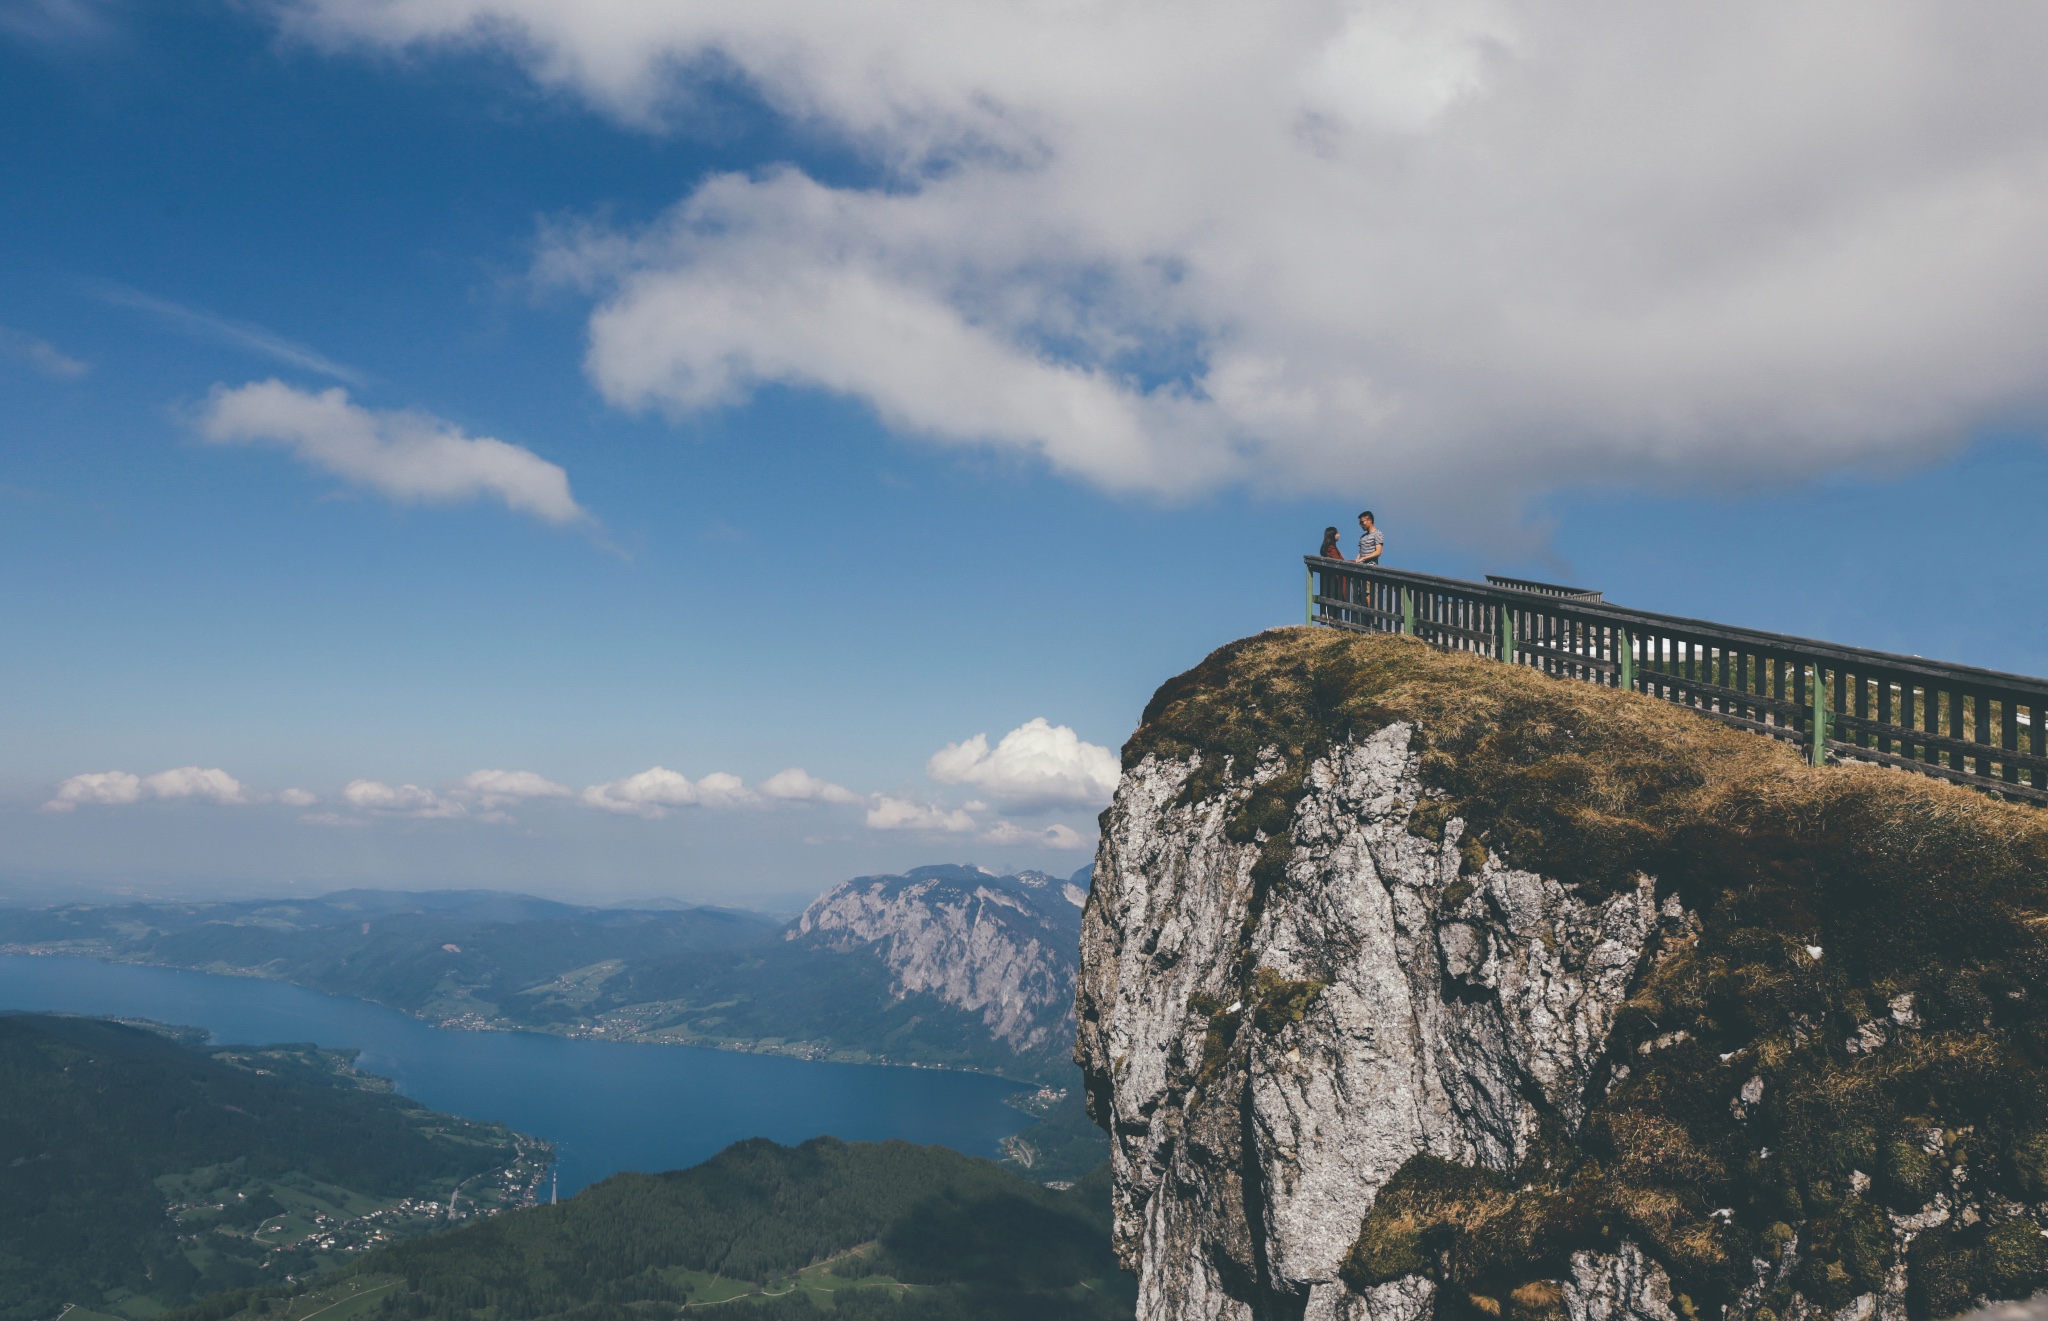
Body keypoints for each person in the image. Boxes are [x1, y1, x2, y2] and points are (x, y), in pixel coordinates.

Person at [1316, 526, 1349, 622]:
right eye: (1337, 533)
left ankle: (1334, 618)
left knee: (1334, 597)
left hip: (1334, 578)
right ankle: (1335, 619)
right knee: (1336, 596)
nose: (1339, 535)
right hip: (1335, 578)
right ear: (1332, 535)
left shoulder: (1330, 547)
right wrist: (1355, 561)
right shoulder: (1331, 548)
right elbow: (1339, 561)